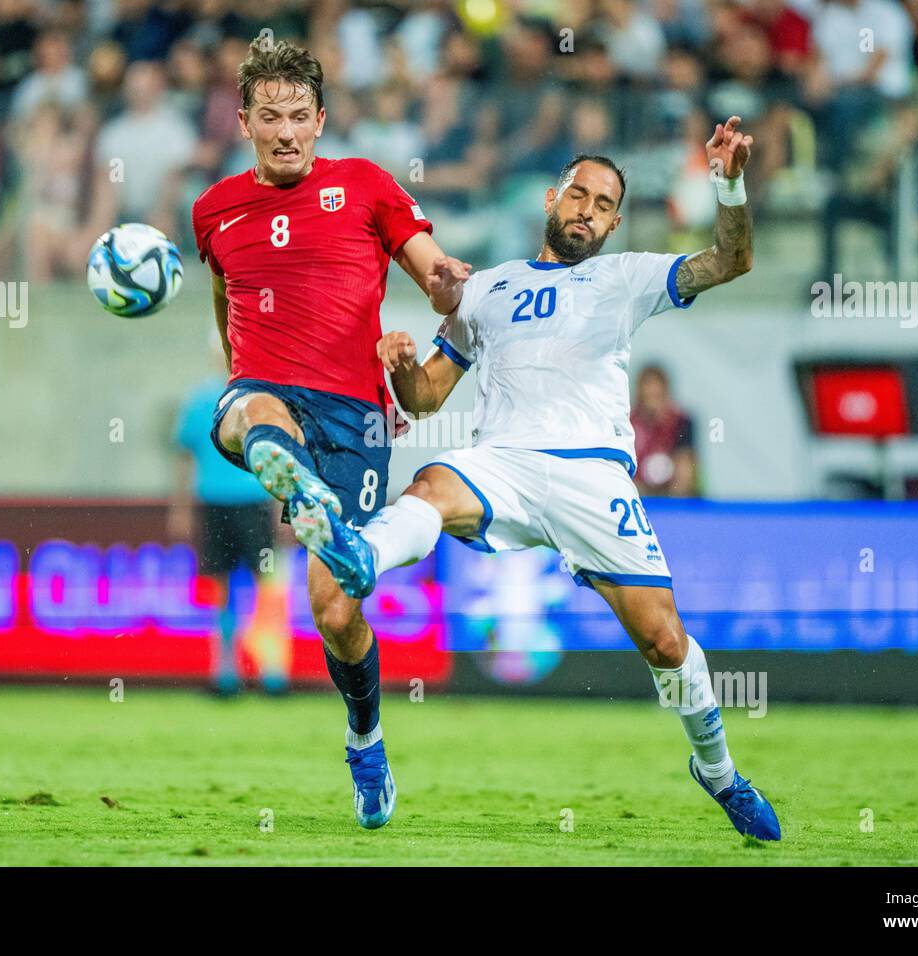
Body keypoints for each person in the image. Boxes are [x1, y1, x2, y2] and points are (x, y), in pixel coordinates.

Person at [308, 122, 783, 841]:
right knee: (432, 485)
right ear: (550, 198)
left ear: (616, 221)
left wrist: (728, 183)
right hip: (502, 460)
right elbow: (426, 398)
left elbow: (733, 259)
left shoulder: (625, 278)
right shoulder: (484, 289)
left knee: (663, 643)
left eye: (604, 203)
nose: (588, 210)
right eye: (579, 194)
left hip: (593, 474)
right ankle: (362, 557)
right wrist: (400, 363)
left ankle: (717, 771)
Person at [190, 39, 470, 830]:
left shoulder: (366, 186)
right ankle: (283, 466)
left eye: (299, 117)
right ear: (244, 120)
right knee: (255, 419)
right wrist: (237, 376)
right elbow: (225, 295)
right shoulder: (214, 209)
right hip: (265, 388)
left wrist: (458, 285)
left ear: (322, 119)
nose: (286, 132)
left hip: (355, 412)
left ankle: (366, 740)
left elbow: (435, 271)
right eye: (269, 117)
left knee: (336, 611)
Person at [171, 375, 285, 696]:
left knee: (264, 589)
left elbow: (276, 454)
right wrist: (180, 507)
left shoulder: (258, 396)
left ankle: (271, 671)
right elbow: (185, 458)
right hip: (218, 503)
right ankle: (226, 672)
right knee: (225, 590)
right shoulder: (203, 401)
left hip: (250, 503)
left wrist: (280, 507)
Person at [631, 364, 699, 497]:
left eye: (657, 395)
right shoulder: (628, 424)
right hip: (639, 493)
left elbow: (685, 469)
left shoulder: (681, 422)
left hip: (671, 495)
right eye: (648, 394)